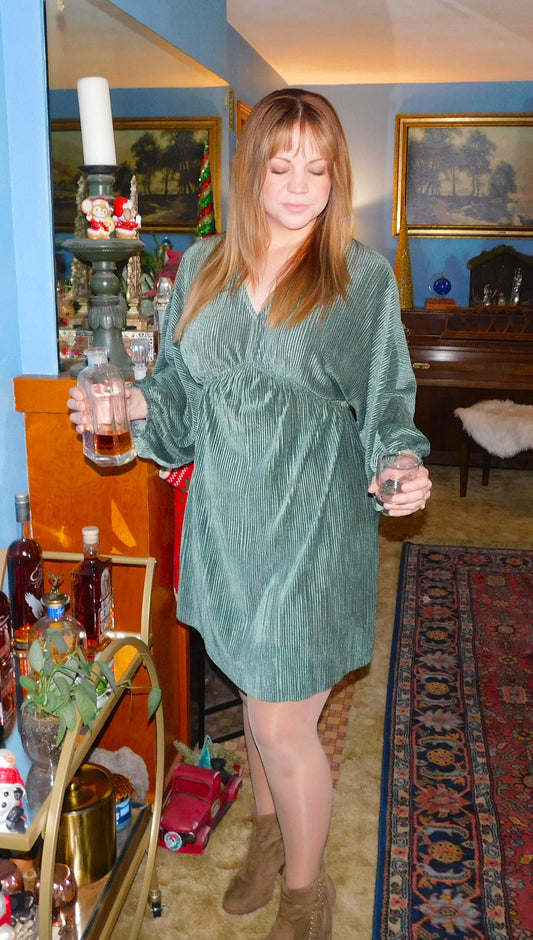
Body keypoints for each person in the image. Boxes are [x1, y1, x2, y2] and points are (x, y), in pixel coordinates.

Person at [68, 88, 432, 939]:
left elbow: (388, 407)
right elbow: (180, 394)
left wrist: (399, 465)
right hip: (228, 530)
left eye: (318, 168)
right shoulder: (203, 267)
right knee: (254, 697)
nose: (301, 186)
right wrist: (131, 404)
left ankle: (307, 894)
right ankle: (271, 841)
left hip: (312, 530)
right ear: (251, 171)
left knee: (277, 722)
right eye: (281, 166)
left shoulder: (359, 279)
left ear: (336, 177)